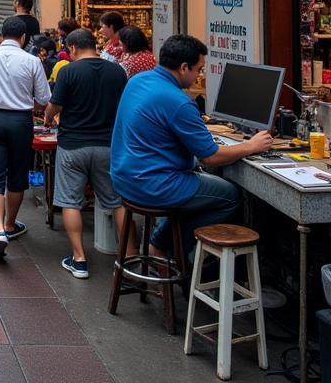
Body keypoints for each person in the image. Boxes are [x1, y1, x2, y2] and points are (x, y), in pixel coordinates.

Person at [111, 34, 273, 259]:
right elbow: (211, 157)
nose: (199, 76)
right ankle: (169, 249)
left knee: (200, 188)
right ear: (184, 67)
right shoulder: (179, 102)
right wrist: (251, 146)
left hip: (125, 177)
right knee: (230, 196)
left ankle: (164, 243)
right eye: (199, 69)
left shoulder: (138, 81)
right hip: (153, 185)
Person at [44, 29, 129, 279]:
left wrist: (48, 117)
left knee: (71, 202)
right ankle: (129, 258)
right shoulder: (117, 72)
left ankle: (79, 258)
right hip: (108, 146)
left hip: (73, 146)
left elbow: (55, 106)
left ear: (72, 48)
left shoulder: (68, 71)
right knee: (118, 201)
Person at [0, 16, 51, 260]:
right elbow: (44, 99)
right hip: (20, 121)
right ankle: (10, 224)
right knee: (16, 175)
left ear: (0, 35)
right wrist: (30, 104)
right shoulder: (32, 61)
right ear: (24, 37)